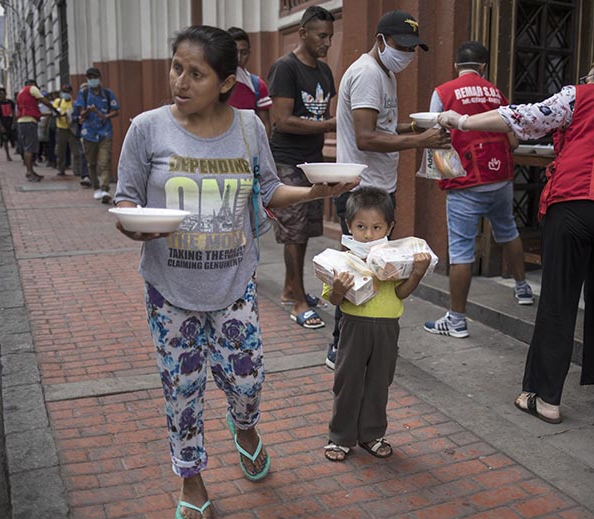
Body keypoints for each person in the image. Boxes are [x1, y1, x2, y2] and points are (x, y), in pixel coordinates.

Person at [113, 25, 355, 519]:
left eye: (195, 73)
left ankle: (244, 425)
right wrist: (134, 228)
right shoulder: (148, 128)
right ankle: (192, 481)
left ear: (226, 82)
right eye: (176, 67)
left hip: (234, 284)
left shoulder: (248, 127)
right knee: (181, 390)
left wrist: (313, 193)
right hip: (169, 290)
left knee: (248, 382)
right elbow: (125, 199)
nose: (180, 81)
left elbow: (268, 190)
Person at [439, 53, 594, 423]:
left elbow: (523, 117)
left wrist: (461, 120)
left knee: (559, 297)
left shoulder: (583, 95)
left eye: (591, 74)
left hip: (577, 203)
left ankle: (546, 398)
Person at [326, 9, 450, 367]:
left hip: (379, 188)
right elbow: (365, 137)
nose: (408, 55)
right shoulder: (367, 74)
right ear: (381, 41)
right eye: (402, 46)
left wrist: (414, 130)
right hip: (362, 191)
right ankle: (341, 346)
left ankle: (371, 341)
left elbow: (383, 129)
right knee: (356, 273)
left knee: (379, 270)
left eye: (414, 48)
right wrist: (420, 141)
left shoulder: (384, 73)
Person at [424, 41, 532, 340]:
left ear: (456, 66)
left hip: (465, 179)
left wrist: (442, 177)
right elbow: (513, 141)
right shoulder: (497, 93)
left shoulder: (443, 92)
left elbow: (435, 136)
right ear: (483, 66)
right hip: (501, 177)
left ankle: (456, 320)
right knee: (508, 230)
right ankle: (523, 290)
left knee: (461, 250)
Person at [321, 187, 431, 462]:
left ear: (389, 227)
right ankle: (340, 437)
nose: (368, 234)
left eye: (376, 227)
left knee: (379, 383)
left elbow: (400, 293)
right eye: (361, 226)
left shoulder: (394, 257)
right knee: (348, 382)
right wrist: (337, 287)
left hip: (386, 328)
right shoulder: (342, 259)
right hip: (354, 327)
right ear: (349, 225)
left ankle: (372, 434)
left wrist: (416, 273)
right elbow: (334, 300)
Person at [268, 5, 337, 330]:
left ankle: (289, 288)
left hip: (313, 161)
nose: (327, 42)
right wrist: (328, 126)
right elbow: (281, 120)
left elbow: (323, 116)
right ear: (303, 33)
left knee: (305, 230)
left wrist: (326, 126)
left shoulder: (324, 71)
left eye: (330, 37)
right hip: (286, 160)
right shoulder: (286, 67)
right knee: (293, 232)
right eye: (322, 36)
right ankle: (297, 302)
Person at [73, 66, 120, 204]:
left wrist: (104, 115)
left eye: (94, 77)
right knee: (92, 162)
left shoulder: (107, 93)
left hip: (105, 131)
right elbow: (80, 114)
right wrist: (88, 111)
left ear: (100, 78)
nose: (92, 80)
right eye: (90, 78)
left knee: (104, 161)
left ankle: (105, 188)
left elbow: (116, 110)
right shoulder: (84, 94)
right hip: (89, 133)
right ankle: (96, 187)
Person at [226, 27, 272, 136]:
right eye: (234, 52)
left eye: (244, 52)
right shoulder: (214, 84)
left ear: (250, 53)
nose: (239, 58)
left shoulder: (257, 85)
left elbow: (265, 125)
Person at [16, 79, 60, 182]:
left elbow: (29, 108)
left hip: (23, 121)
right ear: (33, 85)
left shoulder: (21, 92)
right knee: (30, 148)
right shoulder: (32, 88)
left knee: (30, 147)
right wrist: (54, 109)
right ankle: (29, 172)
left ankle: (31, 171)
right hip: (29, 122)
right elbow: (44, 101)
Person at [52, 84, 83, 177]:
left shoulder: (74, 103)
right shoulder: (58, 102)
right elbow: (54, 112)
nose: (66, 94)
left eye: (68, 92)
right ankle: (61, 169)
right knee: (60, 151)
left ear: (71, 93)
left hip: (72, 130)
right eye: (64, 92)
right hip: (61, 129)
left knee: (76, 151)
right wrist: (60, 114)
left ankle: (76, 170)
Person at [0, 87, 15, 162]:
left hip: (10, 122)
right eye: (1, 94)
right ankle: (8, 155)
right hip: (3, 123)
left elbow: (13, 112)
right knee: (5, 139)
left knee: (14, 139)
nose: (3, 95)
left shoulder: (10, 102)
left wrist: (14, 122)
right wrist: (1, 125)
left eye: (4, 94)